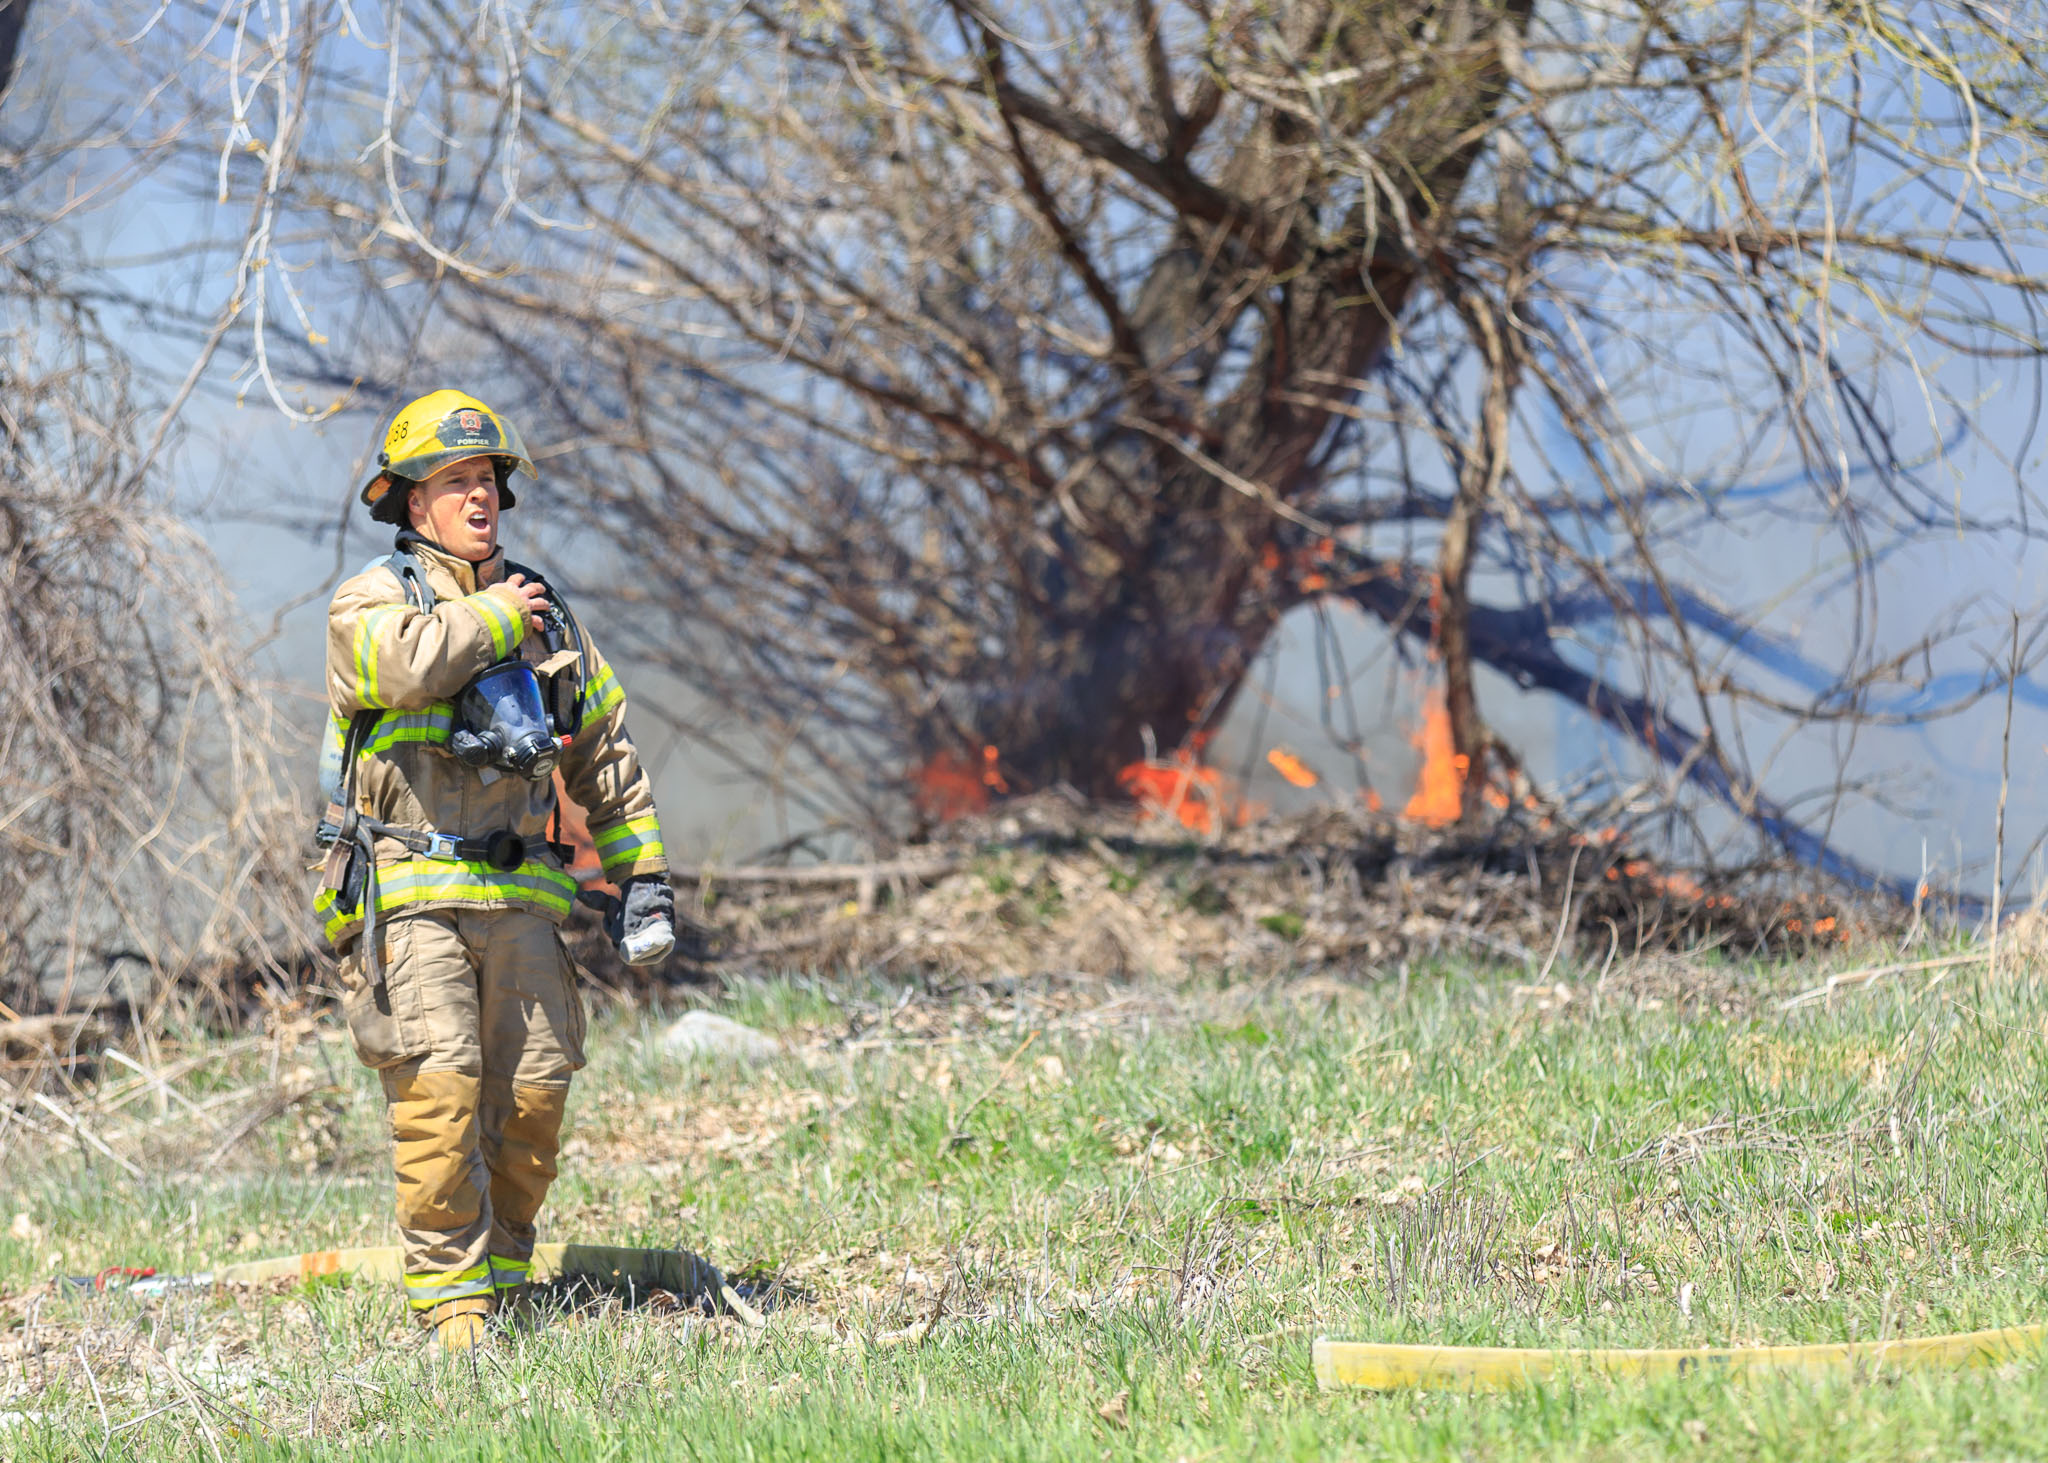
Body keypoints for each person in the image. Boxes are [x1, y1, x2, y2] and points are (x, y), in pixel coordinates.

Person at [316, 390, 675, 1351]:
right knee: (440, 1091)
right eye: (454, 482)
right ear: (408, 503)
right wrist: (494, 618)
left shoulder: (545, 614)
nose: (479, 499)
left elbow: (605, 751)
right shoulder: (374, 600)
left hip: (520, 897)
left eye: (487, 481)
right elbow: (393, 666)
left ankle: (507, 1277)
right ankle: (454, 1309)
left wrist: (643, 876)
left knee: (534, 1091)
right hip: (410, 895)